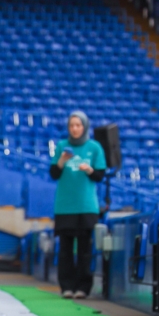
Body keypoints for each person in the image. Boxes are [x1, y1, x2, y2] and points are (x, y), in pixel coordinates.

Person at [49, 111, 107, 299]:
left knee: (84, 250)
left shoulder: (94, 147)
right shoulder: (61, 146)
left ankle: (83, 287)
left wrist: (89, 169)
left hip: (87, 206)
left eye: (78, 125)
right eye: (72, 125)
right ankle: (66, 286)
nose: (75, 129)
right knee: (65, 250)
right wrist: (61, 161)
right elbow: (54, 174)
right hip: (65, 207)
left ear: (84, 126)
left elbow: (99, 176)